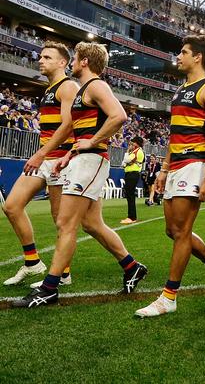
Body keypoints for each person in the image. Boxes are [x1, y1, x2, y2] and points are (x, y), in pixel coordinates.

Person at [12, 42, 148, 308]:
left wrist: (92, 141)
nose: (72, 62)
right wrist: (68, 154)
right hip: (81, 160)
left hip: (92, 160)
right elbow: (79, 130)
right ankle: (132, 267)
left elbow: (118, 116)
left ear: (84, 61)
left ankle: (50, 288)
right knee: (92, 224)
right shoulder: (83, 91)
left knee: (65, 223)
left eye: (74, 58)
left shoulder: (95, 85)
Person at [135, 34, 205, 318]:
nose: (178, 57)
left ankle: (169, 297)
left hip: (195, 162)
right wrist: (164, 169)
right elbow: (174, 134)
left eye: (183, 52)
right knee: (174, 231)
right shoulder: (181, 90)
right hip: (177, 163)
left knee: (181, 232)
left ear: (197, 57)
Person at [3, 42, 76, 287]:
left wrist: (41, 154)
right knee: (12, 206)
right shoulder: (49, 89)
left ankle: (63, 274)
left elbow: (68, 126)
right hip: (45, 157)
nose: (40, 60)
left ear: (62, 62)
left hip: (58, 160)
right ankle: (33, 263)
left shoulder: (68, 87)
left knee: (60, 219)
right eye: (41, 56)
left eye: (47, 57)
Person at [120, 136, 145, 225]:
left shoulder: (138, 151)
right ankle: (131, 216)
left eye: (133, 142)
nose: (131, 144)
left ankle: (132, 217)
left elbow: (126, 159)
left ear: (137, 143)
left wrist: (127, 152)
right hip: (129, 174)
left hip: (133, 174)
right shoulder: (135, 151)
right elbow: (124, 163)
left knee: (130, 195)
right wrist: (127, 161)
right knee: (129, 195)